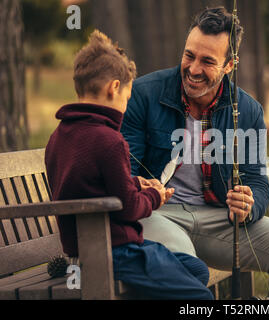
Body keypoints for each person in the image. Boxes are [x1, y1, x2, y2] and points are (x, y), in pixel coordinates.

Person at [121, 7, 269, 299]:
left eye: (207, 61)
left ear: (229, 65)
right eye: (189, 55)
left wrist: (249, 205)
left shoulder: (248, 110)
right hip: (156, 214)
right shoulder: (143, 94)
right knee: (185, 264)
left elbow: (258, 183)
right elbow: (124, 172)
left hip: (216, 219)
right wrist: (140, 185)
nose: (193, 68)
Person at [45, 30, 213, 300]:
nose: (126, 105)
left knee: (195, 270)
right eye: (127, 96)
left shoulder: (59, 136)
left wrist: (135, 182)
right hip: (117, 252)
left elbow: (88, 187)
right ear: (114, 88)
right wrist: (153, 196)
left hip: (81, 252)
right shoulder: (110, 140)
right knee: (202, 297)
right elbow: (130, 209)